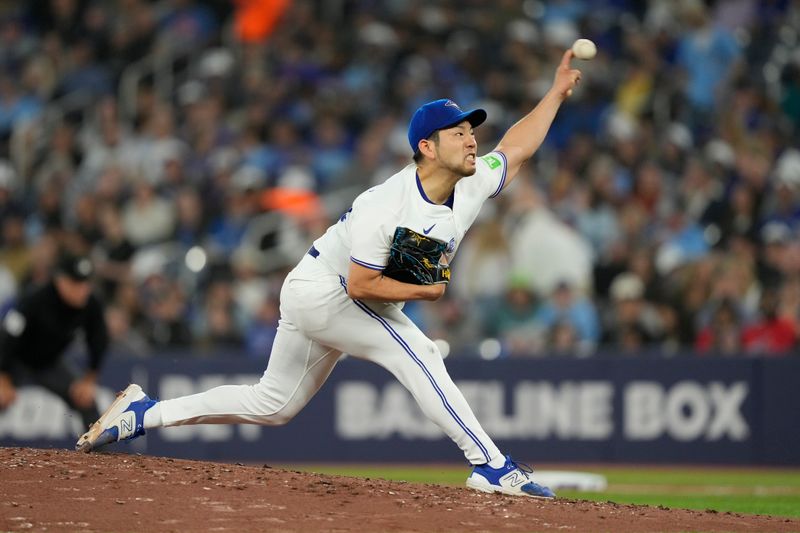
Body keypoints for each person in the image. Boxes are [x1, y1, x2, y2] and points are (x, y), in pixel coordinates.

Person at [76, 49, 583, 499]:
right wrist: (425, 290)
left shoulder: (468, 186)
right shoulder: (383, 206)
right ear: (427, 147)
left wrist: (555, 94)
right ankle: (491, 466)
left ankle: (146, 414)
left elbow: (518, 147)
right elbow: (363, 285)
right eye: (459, 133)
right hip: (327, 292)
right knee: (418, 351)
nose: (473, 141)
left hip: (337, 294)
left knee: (273, 404)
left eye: (472, 131)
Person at [0, 252, 109, 430]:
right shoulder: (34, 298)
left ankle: (102, 456)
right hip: (14, 361)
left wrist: (89, 379)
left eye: (85, 283)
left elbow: (99, 339)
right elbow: (8, 337)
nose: (82, 290)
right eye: (75, 283)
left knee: (87, 402)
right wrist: (3, 379)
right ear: (60, 280)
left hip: (50, 364)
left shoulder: (91, 303)